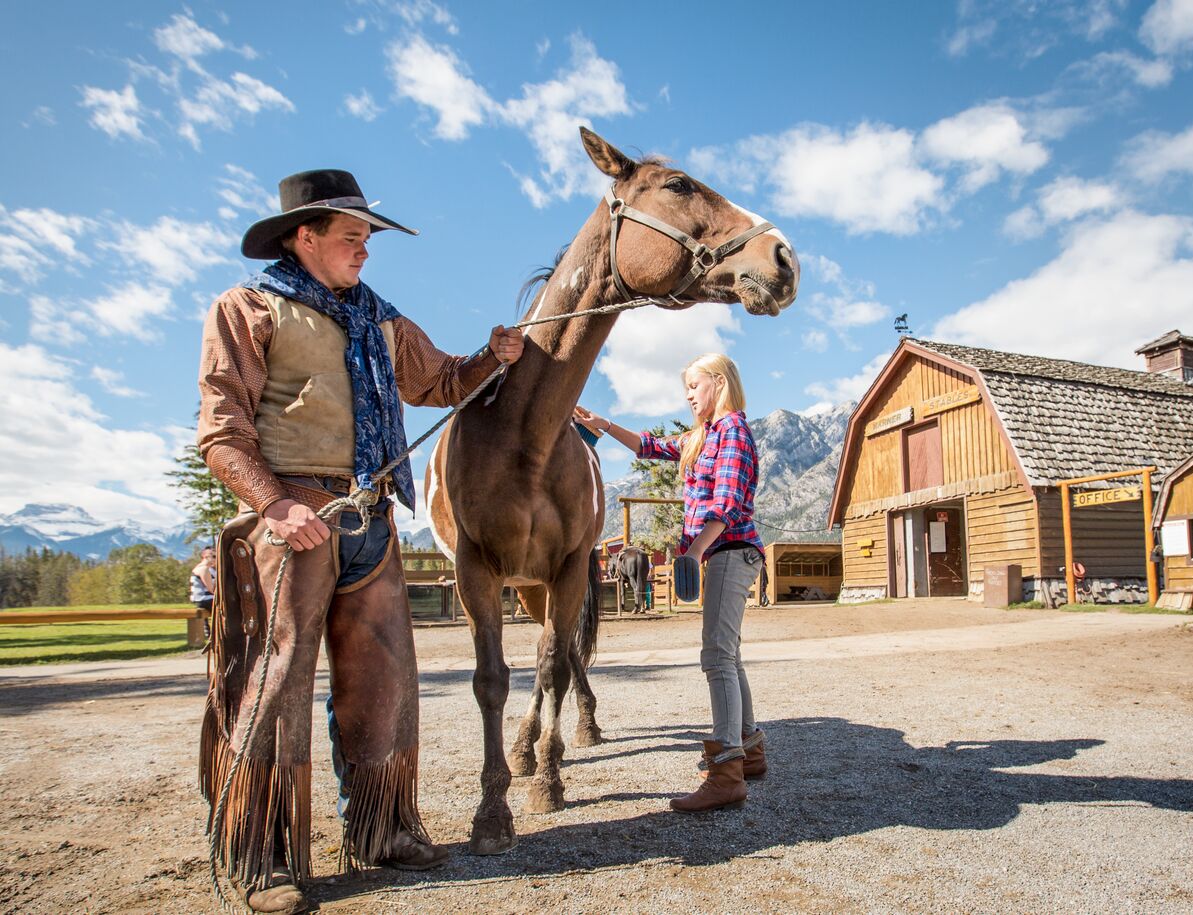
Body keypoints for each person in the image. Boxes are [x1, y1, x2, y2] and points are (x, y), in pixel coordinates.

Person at [196, 169, 524, 913]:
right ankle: (266, 857)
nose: (365, 250)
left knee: (384, 682)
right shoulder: (248, 307)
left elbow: (442, 380)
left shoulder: (383, 321)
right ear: (304, 236)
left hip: (371, 519)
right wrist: (274, 505)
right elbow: (221, 430)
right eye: (352, 236)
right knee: (275, 685)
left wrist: (490, 357)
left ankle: (381, 830)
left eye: (368, 238)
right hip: (292, 519)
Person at [575, 352, 767, 814]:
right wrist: (604, 424)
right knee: (730, 652)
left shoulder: (734, 433)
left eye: (693, 386)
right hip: (723, 552)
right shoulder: (703, 436)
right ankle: (751, 748)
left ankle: (726, 771)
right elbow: (649, 446)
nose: (687, 395)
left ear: (718, 384)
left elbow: (726, 502)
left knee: (716, 655)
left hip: (728, 552)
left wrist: (695, 550)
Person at [189, 545, 216, 643]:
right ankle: (214, 634)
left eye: (215, 556)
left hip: (201, 599)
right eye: (212, 556)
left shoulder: (202, 568)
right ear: (204, 556)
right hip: (203, 599)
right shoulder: (204, 569)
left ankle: (210, 633)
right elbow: (211, 589)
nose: (214, 559)